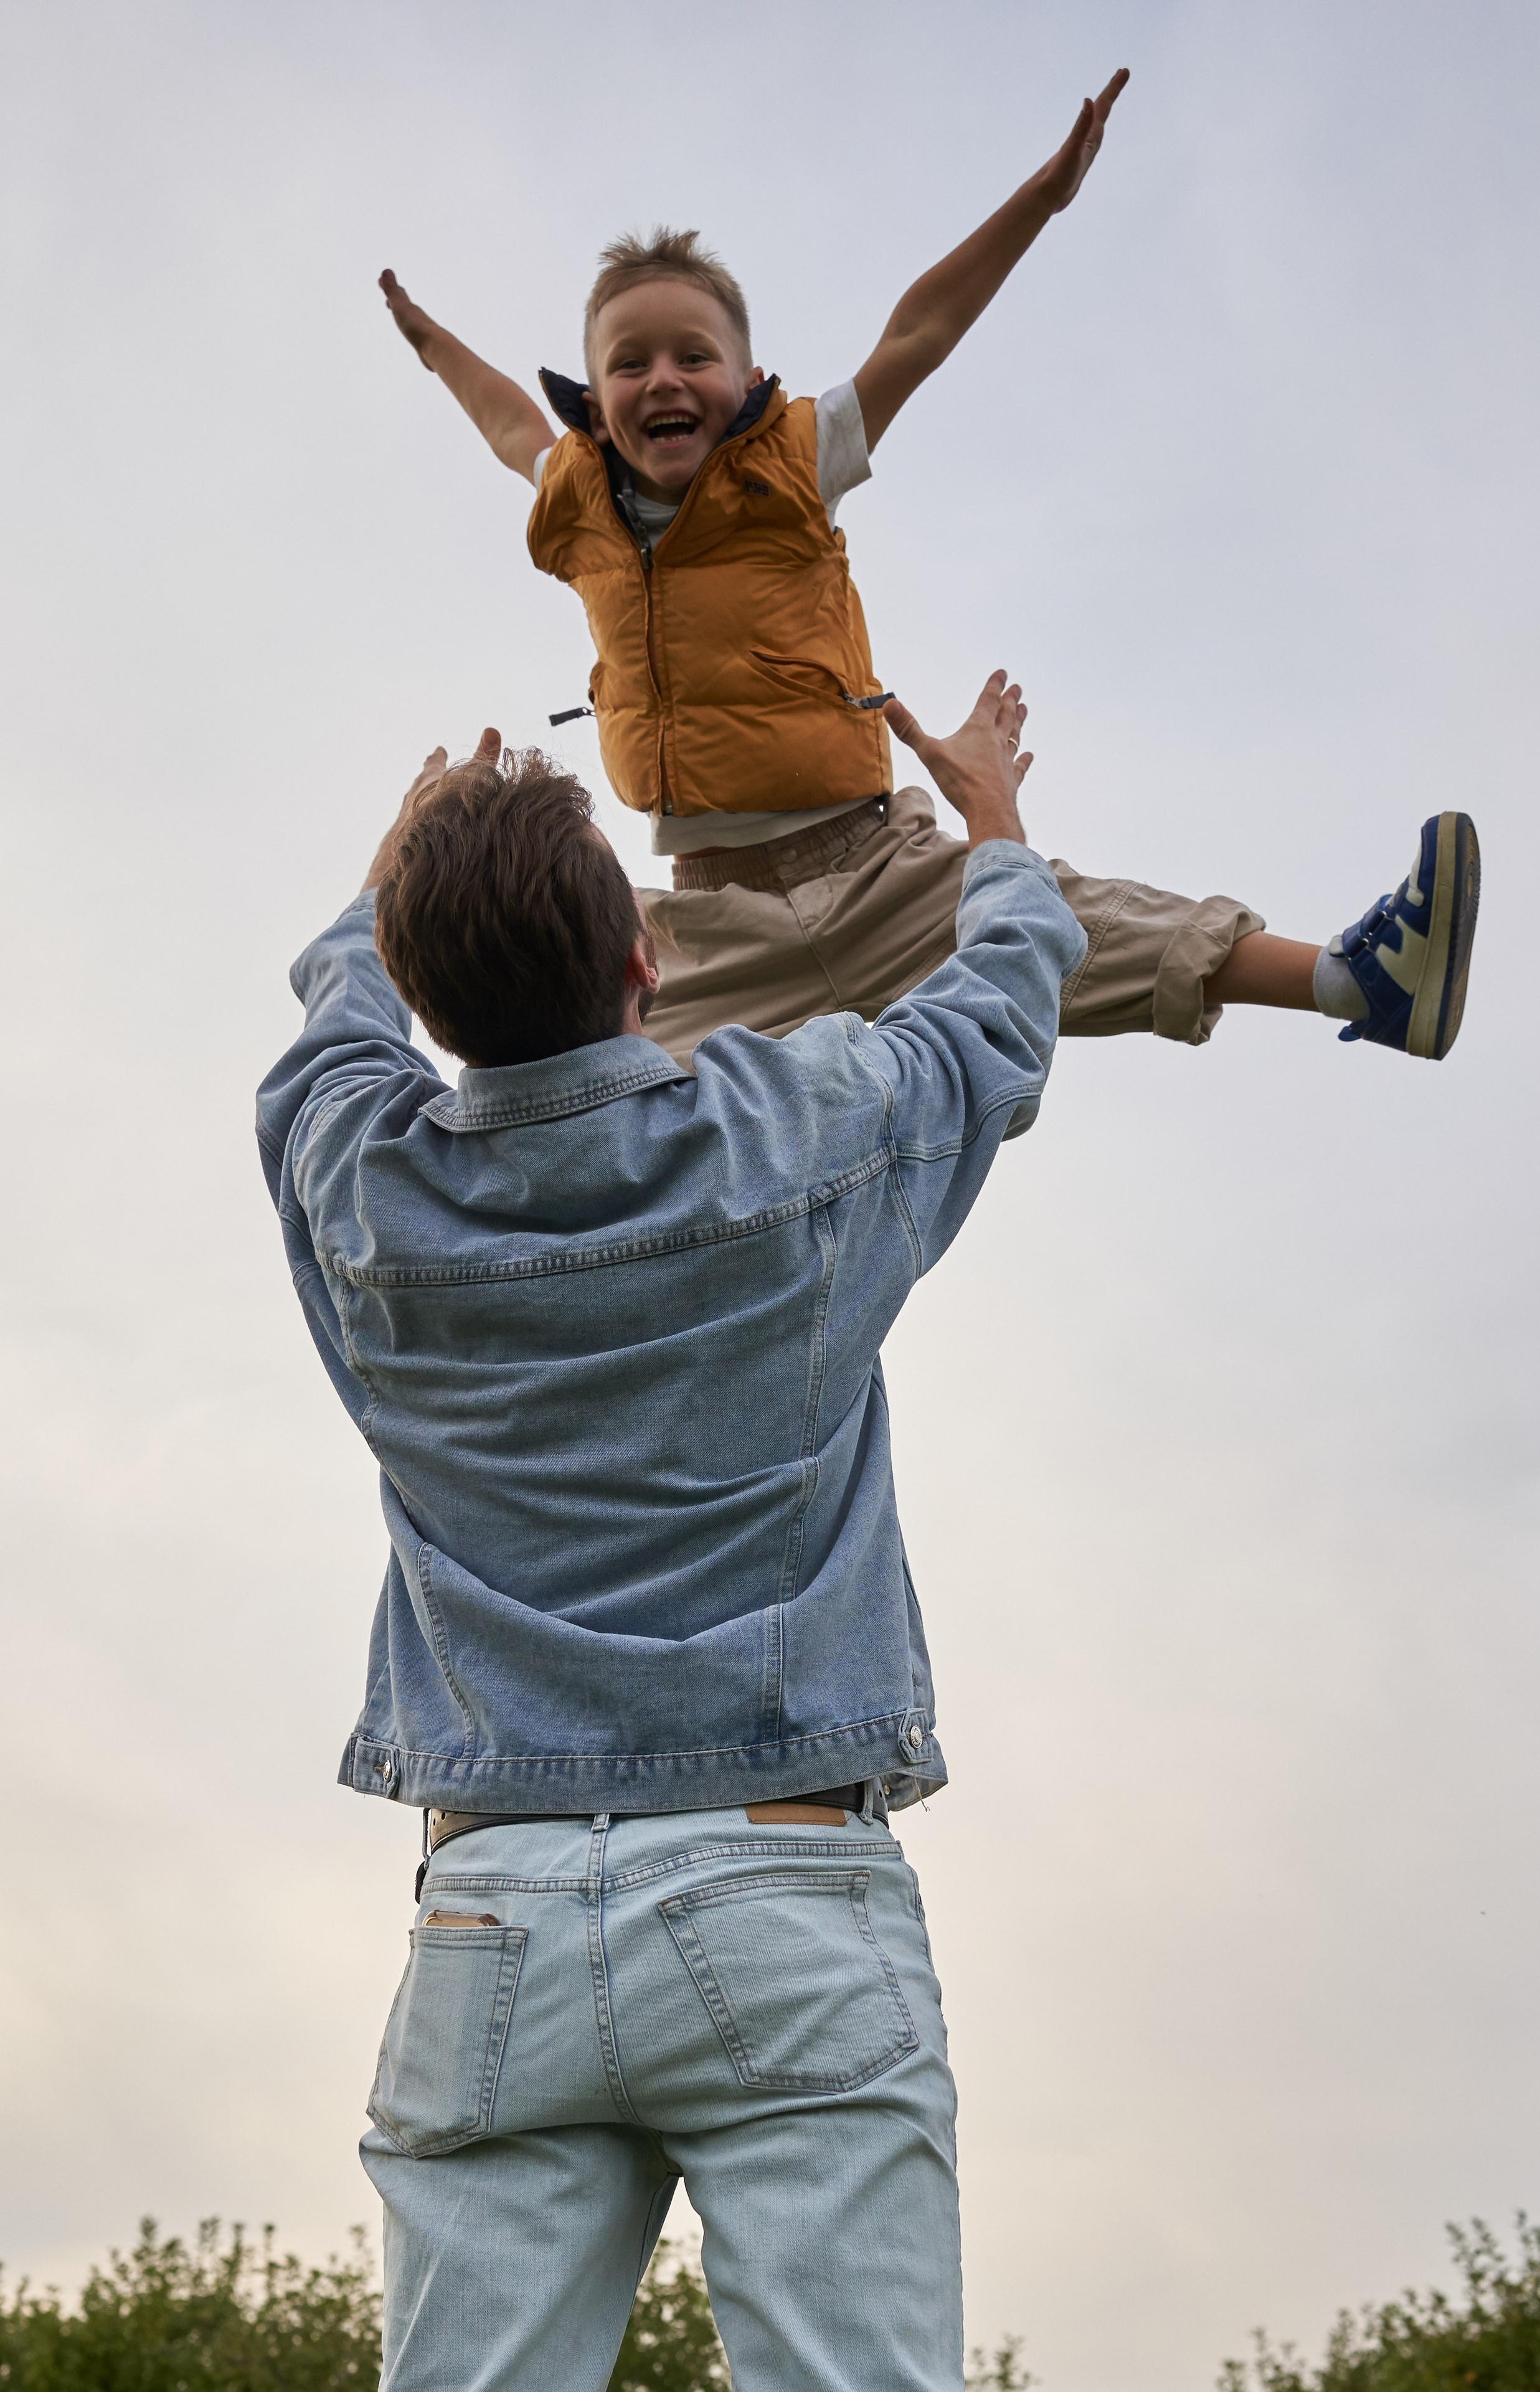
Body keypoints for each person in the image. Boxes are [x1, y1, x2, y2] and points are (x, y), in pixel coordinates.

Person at [257, 671, 1078, 2391]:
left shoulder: (360, 1190)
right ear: (650, 966)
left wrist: (388, 874)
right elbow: (998, 1009)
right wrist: (993, 827)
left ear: (425, 991)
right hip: (785, 1883)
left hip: (488, 1919)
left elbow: (336, 1008)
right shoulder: (807, 1128)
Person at [377, 70, 1480, 1069]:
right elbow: (505, 423)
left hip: (874, 871)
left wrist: (1038, 205)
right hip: (708, 931)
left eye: (693, 356)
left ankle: (1362, 980)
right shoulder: (579, 505)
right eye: (631, 363)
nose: (664, 379)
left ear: (746, 375)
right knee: (597, 1074)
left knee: (1066, 921)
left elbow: (921, 332)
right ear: (596, 401)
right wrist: (434, 347)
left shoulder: (794, 461)